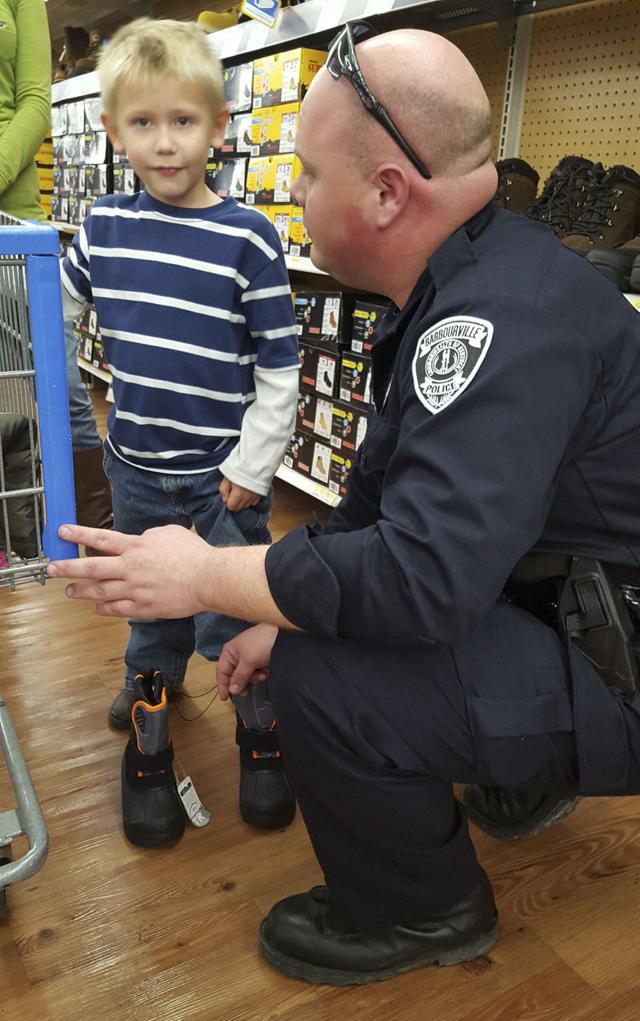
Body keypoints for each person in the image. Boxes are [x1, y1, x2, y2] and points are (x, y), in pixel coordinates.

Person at [48, 22, 640, 985]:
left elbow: (416, 581)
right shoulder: (481, 274)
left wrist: (209, 575)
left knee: (326, 668)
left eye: (309, 178)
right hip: (578, 607)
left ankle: (423, 909)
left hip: (619, 655)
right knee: (314, 618)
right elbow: (385, 509)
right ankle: (524, 763)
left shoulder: (497, 322)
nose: (295, 200)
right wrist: (269, 603)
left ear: (387, 191)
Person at [58, 18, 300, 837]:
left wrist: (257, 463)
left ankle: (259, 727)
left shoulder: (249, 239)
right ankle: (150, 722)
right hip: (133, 465)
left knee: (234, 602)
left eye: (183, 121)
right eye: (144, 122)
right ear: (113, 127)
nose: (165, 143)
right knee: (149, 604)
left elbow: (279, 365)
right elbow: (52, 306)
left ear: (219, 126)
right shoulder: (100, 228)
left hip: (218, 475)